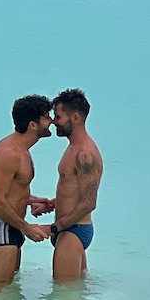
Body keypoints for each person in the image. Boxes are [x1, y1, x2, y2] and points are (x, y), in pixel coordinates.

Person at [0, 94, 55, 286]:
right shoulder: (9, 153)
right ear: (32, 124)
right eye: (46, 116)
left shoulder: (22, 151)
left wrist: (32, 200)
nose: (52, 120)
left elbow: (11, 191)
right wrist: (27, 228)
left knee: (8, 296)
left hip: (10, 227)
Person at [44, 88, 103, 281]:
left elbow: (89, 203)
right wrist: (53, 203)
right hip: (69, 229)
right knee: (73, 299)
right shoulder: (72, 147)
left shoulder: (85, 154)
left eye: (58, 117)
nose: (53, 121)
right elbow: (75, 190)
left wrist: (55, 227)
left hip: (73, 230)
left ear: (75, 117)